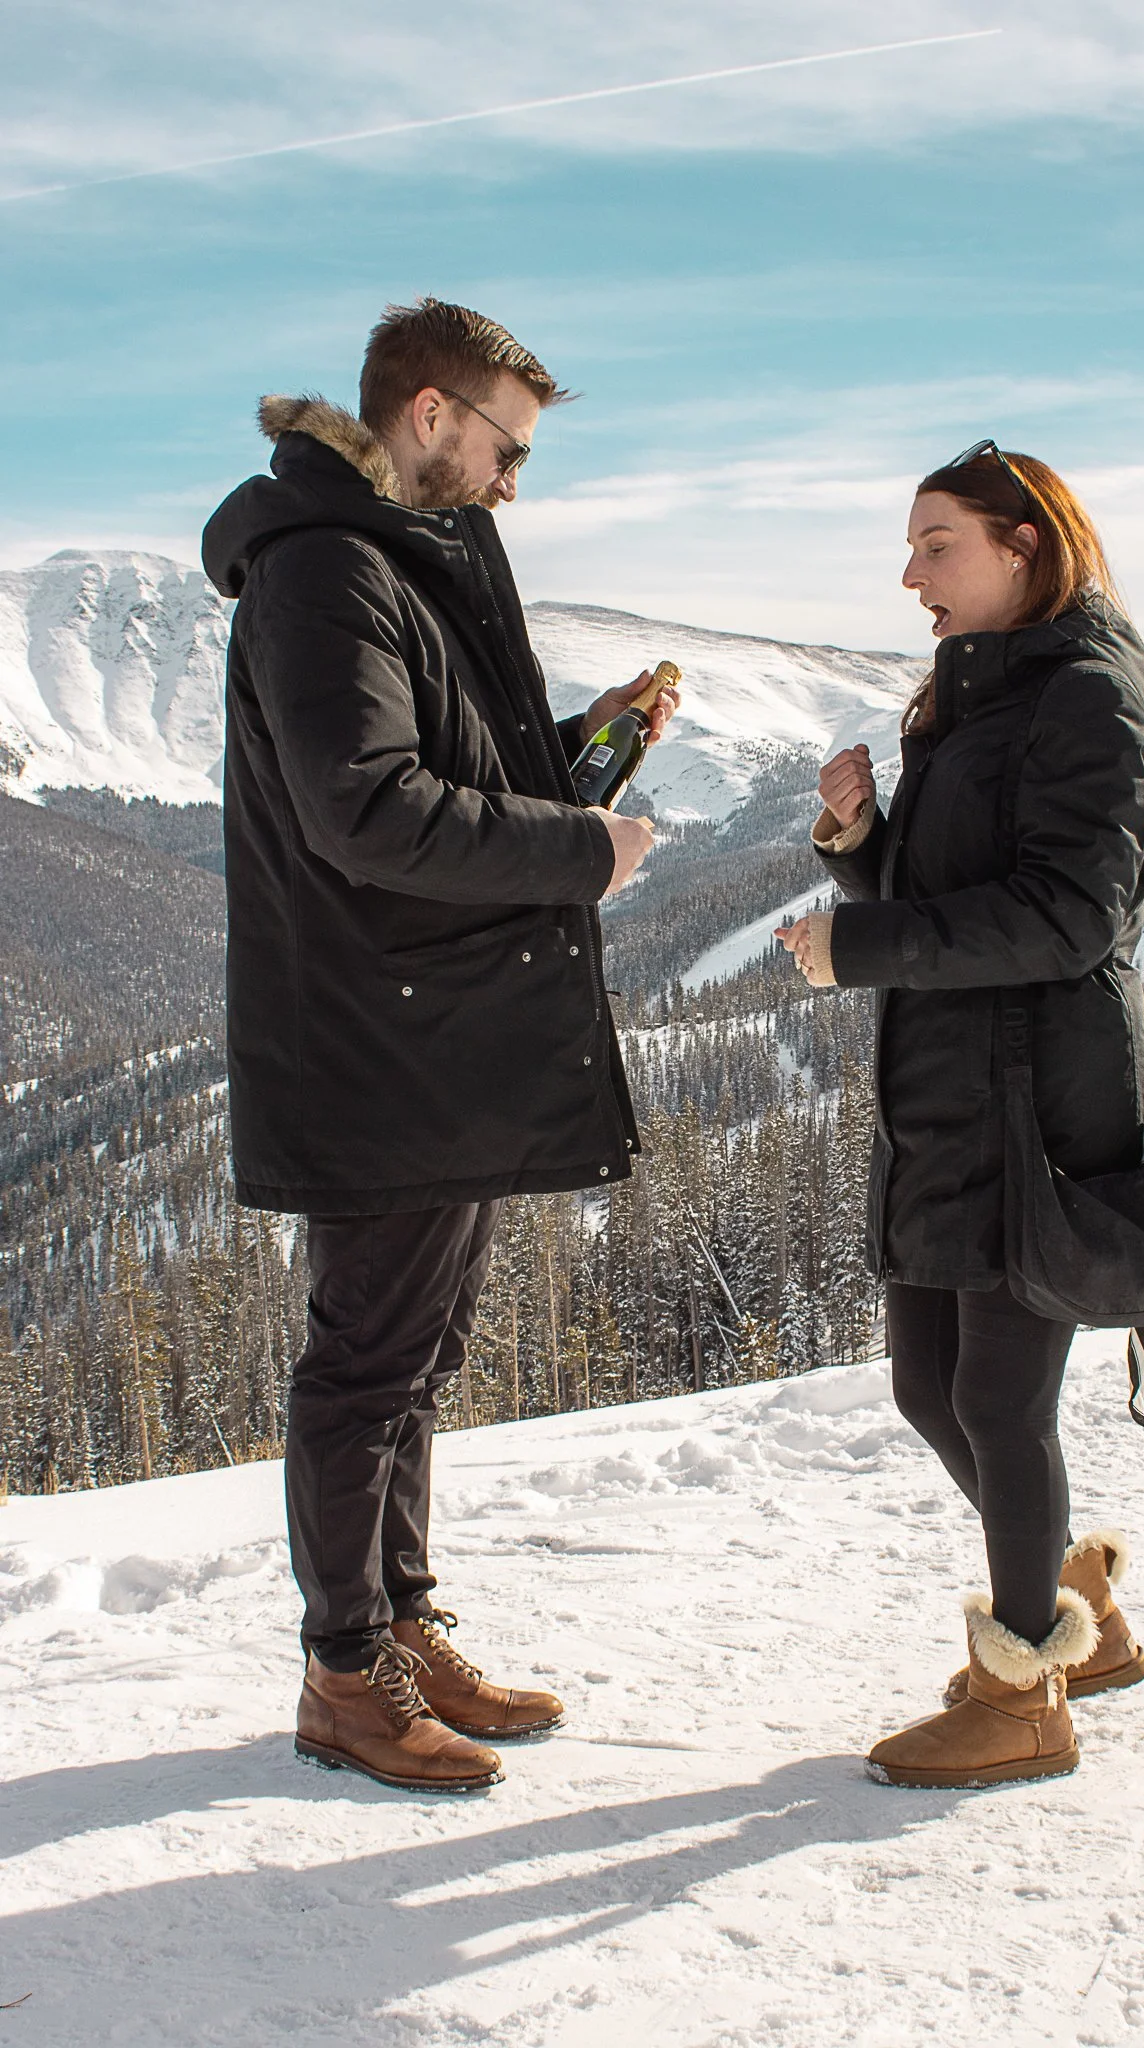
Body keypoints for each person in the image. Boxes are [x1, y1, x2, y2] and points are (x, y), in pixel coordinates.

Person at [201, 297, 679, 1795]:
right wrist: (584, 851)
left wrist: (586, 754)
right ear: (423, 414)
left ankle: (398, 1629)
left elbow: (453, 768)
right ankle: (344, 1675)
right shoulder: (327, 569)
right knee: (367, 1365)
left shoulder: (395, 559)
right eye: (503, 446)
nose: (513, 482)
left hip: (425, 1033)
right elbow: (371, 811)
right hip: (373, 1039)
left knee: (412, 1355)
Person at [777, 441, 1144, 1789]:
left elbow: (1070, 917)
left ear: (1023, 546)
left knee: (998, 1401)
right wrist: (864, 845)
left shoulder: (1086, 702)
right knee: (927, 1386)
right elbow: (956, 889)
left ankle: (1022, 1703)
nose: (910, 573)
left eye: (937, 542)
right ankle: (1072, 1624)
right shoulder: (978, 694)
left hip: (1040, 1107)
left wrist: (862, 947)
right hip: (951, 1098)